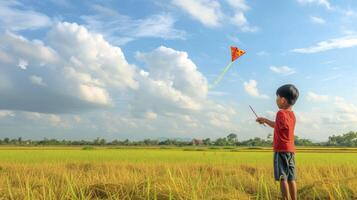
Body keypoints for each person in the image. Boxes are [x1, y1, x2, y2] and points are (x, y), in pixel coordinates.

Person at [256, 84, 299, 200]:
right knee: (291, 178)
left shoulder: (280, 113)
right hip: (290, 150)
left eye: (277, 97)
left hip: (280, 150)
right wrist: (264, 120)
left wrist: (264, 120)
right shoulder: (292, 115)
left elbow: (278, 125)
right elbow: (279, 126)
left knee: (282, 178)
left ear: (283, 100)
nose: (276, 100)